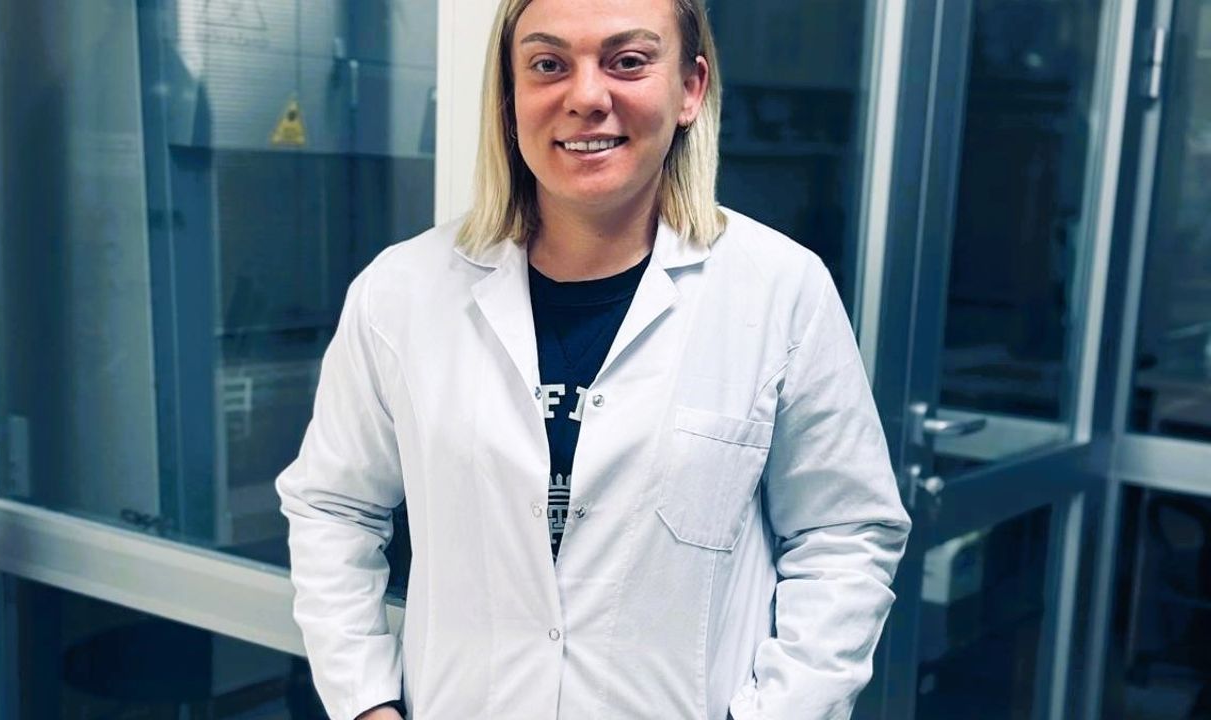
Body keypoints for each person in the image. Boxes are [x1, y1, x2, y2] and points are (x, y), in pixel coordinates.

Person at [275, 0, 911, 718]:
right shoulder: (402, 292)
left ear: (690, 89)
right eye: (548, 64)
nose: (585, 97)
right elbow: (334, 508)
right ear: (510, 97)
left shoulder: (779, 291)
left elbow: (844, 535)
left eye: (628, 61)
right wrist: (366, 703)